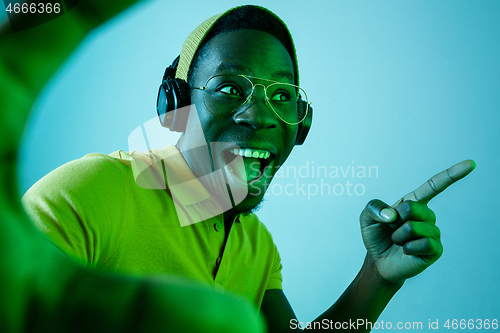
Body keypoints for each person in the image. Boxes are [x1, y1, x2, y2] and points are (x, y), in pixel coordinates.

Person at [18, 3, 475, 333]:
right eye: (228, 88)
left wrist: (376, 276)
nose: (259, 117)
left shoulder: (256, 246)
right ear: (175, 107)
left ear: (301, 124)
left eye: (282, 96)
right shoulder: (94, 191)